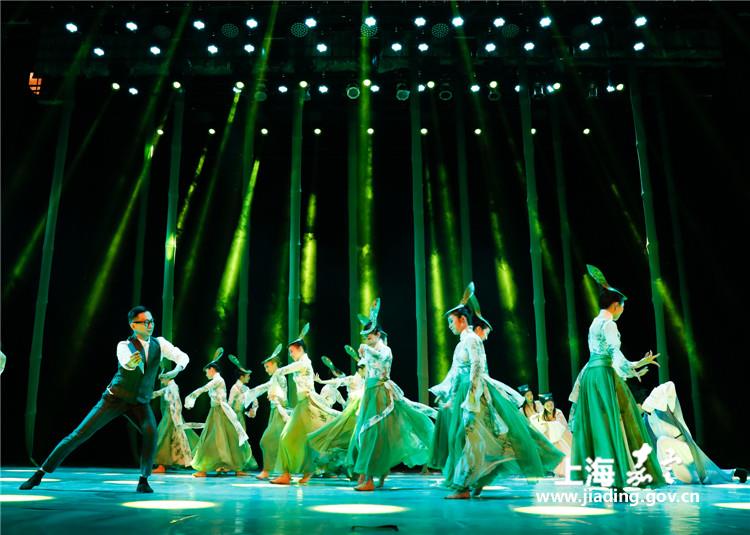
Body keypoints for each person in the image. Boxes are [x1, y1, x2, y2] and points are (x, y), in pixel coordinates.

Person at [19, 306, 189, 493]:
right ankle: (40, 473)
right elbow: (126, 362)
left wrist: (175, 370)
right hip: (114, 399)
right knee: (79, 434)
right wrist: (131, 363)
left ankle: (143, 480)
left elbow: (182, 356)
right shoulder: (125, 346)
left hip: (140, 402)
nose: (150, 325)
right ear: (134, 325)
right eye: (145, 322)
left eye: (151, 321)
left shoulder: (160, 343)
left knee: (151, 433)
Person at [440, 286, 563, 499]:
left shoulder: (471, 339)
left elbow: (477, 368)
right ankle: (475, 481)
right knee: (467, 438)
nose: (450, 326)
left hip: (475, 394)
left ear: (462, 320)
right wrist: (450, 397)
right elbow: (456, 372)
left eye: (452, 321)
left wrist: (472, 398)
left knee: (473, 438)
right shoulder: (462, 343)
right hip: (464, 393)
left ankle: (464, 487)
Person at [568, 265, 664, 489]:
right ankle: (618, 480)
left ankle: (602, 475)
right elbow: (614, 353)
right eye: (622, 306)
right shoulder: (609, 324)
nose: (622, 310)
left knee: (598, 423)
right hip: (603, 374)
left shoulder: (594, 323)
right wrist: (636, 365)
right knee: (617, 422)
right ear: (615, 305)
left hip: (590, 375)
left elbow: (601, 353)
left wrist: (633, 366)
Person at [347, 299, 435, 491]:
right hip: (369, 394)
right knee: (366, 433)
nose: (367, 339)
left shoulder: (385, 350)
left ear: (378, 335)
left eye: (369, 336)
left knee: (373, 433)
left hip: (381, 393)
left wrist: (367, 350)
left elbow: (382, 359)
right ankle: (369, 473)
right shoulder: (370, 351)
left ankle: (369, 478)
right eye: (365, 337)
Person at [270, 324, 340, 485]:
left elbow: (284, 370)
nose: (290, 354)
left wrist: (277, 373)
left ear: (300, 349)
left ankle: (300, 472)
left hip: (309, 405)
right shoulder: (301, 363)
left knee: (310, 439)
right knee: (293, 438)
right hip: (302, 405)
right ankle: (291, 473)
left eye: (292, 351)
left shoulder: (304, 363)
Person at [640, 381, 746, 484]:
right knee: (693, 478)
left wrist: (649, 402)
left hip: (684, 448)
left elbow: (670, 385)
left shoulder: (665, 408)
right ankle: (734, 473)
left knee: (662, 441)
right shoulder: (645, 420)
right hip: (673, 457)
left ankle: (663, 476)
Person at [185, 349, 257, 477]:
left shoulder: (218, 380)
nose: (206, 374)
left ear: (212, 370)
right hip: (215, 412)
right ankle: (214, 467)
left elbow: (205, 388)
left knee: (221, 439)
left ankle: (233, 467)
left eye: (207, 371)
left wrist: (192, 396)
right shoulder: (218, 380)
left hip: (220, 412)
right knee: (217, 439)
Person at [307, 347, 367, 477]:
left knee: (351, 441)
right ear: (361, 369)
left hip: (356, 413)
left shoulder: (363, 381)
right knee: (337, 438)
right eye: (365, 369)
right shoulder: (350, 380)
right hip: (347, 414)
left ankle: (349, 468)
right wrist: (321, 381)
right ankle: (322, 466)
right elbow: (338, 381)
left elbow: (343, 402)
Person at [243, 344, 289, 480]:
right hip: (274, 413)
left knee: (266, 441)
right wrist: (250, 394)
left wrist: (276, 396)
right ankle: (281, 472)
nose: (266, 369)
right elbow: (264, 387)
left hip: (280, 412)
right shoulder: (275, 377)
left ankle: (270, 471)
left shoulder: (280, 377)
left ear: (274, 364)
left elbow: (283, 397)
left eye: (267, 366)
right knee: (279, 443)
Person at [151, 375, 200, 473]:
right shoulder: (169, 387)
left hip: (172, 415)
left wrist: (177, 416)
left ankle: (162, 464)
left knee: (163, 437)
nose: (161, 381)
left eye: (162, 379)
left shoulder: (173, 387)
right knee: (169, 438)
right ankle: (163, 464)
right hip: (169, 414)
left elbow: (177, 402)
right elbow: (158, 393)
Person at [530, 393, 572, 477]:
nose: (550, 407)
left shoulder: (558, 413)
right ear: (544, 406)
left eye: (551, 404)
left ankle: (563, 472)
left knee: (567, 455)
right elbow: (540, 430)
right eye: (547, 405)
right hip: (549, 440)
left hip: (561, 439)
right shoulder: (540, 416)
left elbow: (564, 426)